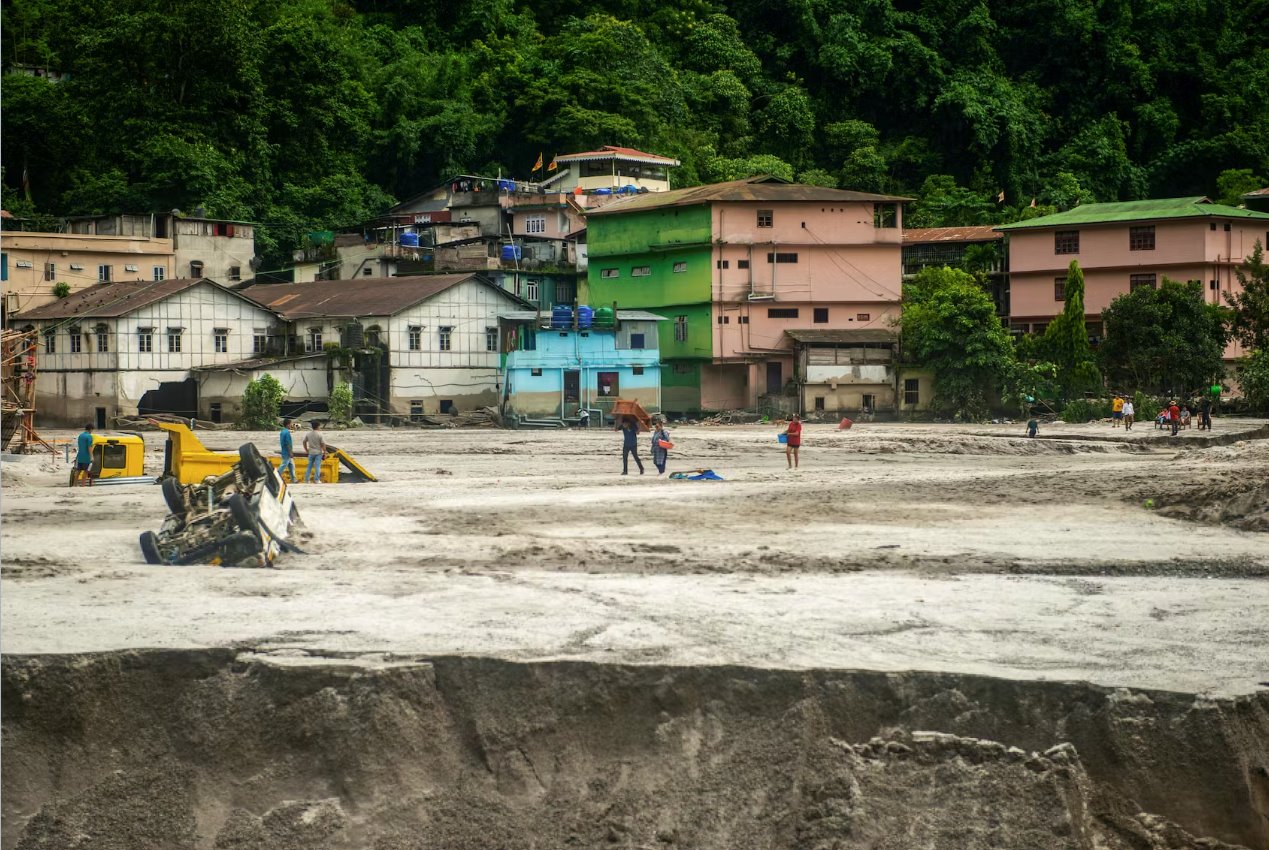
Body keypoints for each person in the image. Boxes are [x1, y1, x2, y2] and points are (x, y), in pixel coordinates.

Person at [278, 418, 296, 482]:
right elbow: (288, 443)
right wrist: (290, 452)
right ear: (288, 424)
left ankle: (294, 479)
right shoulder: (287, 433)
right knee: (283, 465)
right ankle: (276, 476)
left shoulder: (282, 432)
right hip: (287, 452)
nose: (291, 425)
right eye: (291, 424)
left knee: (292, 466)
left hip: (284, 450)